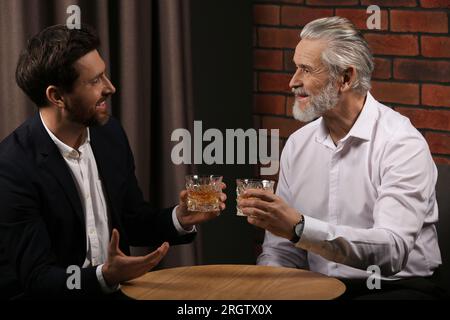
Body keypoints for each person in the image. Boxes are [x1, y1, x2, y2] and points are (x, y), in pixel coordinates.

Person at [0, 25, 226, 300]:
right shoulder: (11, 167)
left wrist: (179, 217)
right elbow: (39, 278)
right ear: (56, 96)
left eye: (104, 74)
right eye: (95, 81)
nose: (110, 87)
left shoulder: (110, 134)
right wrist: (104, 275)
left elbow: (132, 220)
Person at [239, 17, 444, 299]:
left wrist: (300, 227)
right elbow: (280, 251)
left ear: (346, 78)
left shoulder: (401, 143)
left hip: (396, 288)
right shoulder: (298, 145)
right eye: (295, 67)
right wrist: (267, 290)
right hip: (319, 288)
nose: (292, 82)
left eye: (306, 70)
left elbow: (392, 251)